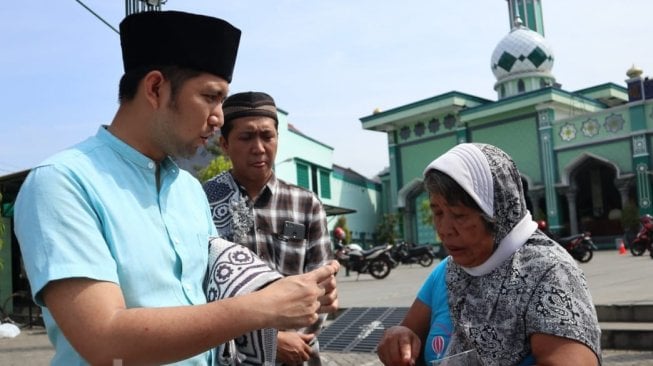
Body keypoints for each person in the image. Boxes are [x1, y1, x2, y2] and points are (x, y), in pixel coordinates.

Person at [13, 11, 338, 366]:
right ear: (155, 88)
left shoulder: (189, 190)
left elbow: (214, 291)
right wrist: (264, 308)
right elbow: (104, 337)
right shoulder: (63, 182)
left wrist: (290, 291)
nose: (219, 118)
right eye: (210, 97)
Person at [376, 143, 601, 366]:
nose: (444, 229)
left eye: (458, 215)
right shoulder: (448, 271)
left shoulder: (549, 272)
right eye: (437, 212)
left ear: (498, 214)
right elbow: (410, 330)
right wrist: (399, 336)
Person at [203, 91, 333, 365]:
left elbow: (320, 286)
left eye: (267, 136)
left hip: (300, 354)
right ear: (225, 144)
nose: (259, 147)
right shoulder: (203, 201)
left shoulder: (305, 204)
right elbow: (199, 290)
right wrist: (269, 341)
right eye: (246, 137)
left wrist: (294, 338)